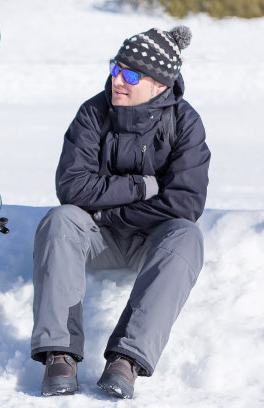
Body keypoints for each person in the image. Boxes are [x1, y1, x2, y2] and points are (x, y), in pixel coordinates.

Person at [30, 26, 211, 399]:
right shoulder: (92, 113)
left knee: (187, 236)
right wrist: (142, 187)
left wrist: (108, 213)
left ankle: (126, 359)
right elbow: (71, 188)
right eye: (116, 68)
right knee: (61, 219)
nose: (118, 81)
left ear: (159, 85)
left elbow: (184, 204)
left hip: (151, 240)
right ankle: (59, 354)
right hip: (97, 238)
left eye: (131, 75)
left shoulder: (186, 124)